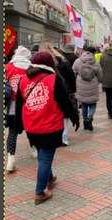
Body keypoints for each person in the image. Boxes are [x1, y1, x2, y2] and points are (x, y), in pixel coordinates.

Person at [19, 52, 80, 204]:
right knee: (45, 156)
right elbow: (65, 101)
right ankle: (40, 192)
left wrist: (18, 125)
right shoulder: (53, 79)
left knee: (42, 152)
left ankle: (50, 178)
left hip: (31, 125)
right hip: (49, 125)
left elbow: (20, 104)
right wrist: (74, 117)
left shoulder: (23, 79)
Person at [40, 42, 77, 146]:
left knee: (49, 112)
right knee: (64, 112)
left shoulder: (37, 62)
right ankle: (63, 137)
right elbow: (71, 76)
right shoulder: (62, 60)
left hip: (45, 89)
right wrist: (73, 89)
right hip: (63, 88)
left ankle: (50, 136)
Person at [4, 46, 32, 173]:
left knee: (12, 132)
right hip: (28, 103)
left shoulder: (7, 68)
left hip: (13, 105)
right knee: (31, 128)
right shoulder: (31, 68)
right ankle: (34, 150)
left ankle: (11, 159)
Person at [72, 46, 103, 131]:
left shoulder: (77, 61)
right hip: (93, 84)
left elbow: (73, 72)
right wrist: (100, 81)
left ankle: (85, 121)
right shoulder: (96, 62)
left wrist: (77, 79)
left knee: (84, 103)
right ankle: (90, 118)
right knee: (93, 103)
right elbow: (100, 75)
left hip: (80, 84)